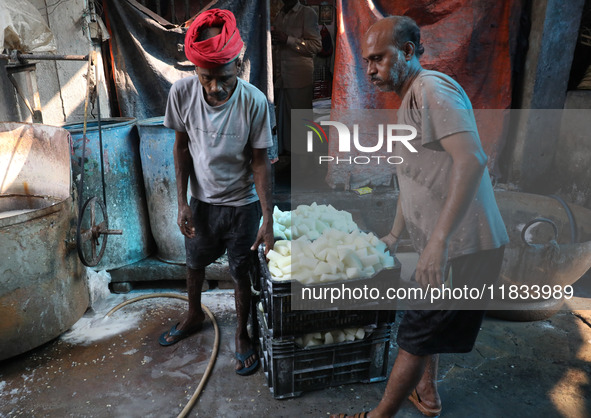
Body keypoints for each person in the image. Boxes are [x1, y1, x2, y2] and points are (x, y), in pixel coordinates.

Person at [331, 16, 509, 417]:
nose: (371, 69)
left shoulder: (430, 90)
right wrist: (395, 236)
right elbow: (413, 179)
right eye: (367, 61)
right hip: (447, 244)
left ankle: (378, 416)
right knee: (425, 327)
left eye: (379, 59)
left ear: (408, 52)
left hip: (463, 247)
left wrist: (439, 243)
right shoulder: (411, 97)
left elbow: (473, 159)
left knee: (414, 334)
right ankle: (426, 394)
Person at [159, 8, 274, 377]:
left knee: (242, 270)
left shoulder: (255, 102)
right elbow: (181, 147)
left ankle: (241, 334)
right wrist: (181, 202)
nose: (214, 87)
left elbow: (260, 161)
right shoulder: (181, 93)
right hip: (203, 202)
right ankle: (194, 314)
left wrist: (267, 217)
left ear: (238, 65)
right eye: (206, 77)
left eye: (223, 77)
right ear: (195, 70)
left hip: (242, 204)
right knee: (194, 262)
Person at [272, 0, 321, 155]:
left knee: (300, 122)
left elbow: (316, 46)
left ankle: (304, 161)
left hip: (299, 78)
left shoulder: (307, 13)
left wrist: (288, 39)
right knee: (284, 122)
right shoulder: (280, 15)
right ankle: (289, 157)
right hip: (282, 78)